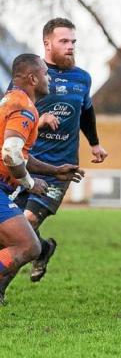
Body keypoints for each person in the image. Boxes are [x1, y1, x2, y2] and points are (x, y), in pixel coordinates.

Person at [0, 18, 106, 300]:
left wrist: (94, 144)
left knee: (27, 222)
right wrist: (36, 119)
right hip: (22, 166)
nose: (70, 47)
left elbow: (87, 112)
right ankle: (42, 249)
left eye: (73, 42)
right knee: (18, 237)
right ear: (47, 43)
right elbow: (12, 139)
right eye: (64, 41)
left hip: (53, 169)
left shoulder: (82, 78)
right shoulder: (24, 86)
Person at [0, 54, 84, 304]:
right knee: (29, 246)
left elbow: (21, 155)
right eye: (46, 74)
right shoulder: (23, 108)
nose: (50, 79)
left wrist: (54, 171)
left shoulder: (13, 101)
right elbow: (11, 154)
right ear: (33, 78)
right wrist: (30, 183)